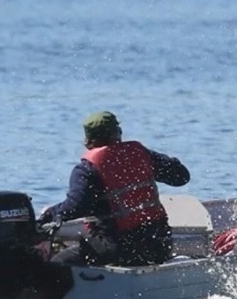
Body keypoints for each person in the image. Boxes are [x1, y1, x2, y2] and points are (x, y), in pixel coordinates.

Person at [39, 111, 190, 267]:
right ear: (118, 133)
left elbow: (76, 207)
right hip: (159, 245)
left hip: (118, 249)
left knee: (58, 262)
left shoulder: (87, 169)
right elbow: (181, 177)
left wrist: (49, 214)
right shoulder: (140, 154)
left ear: (88, 141)